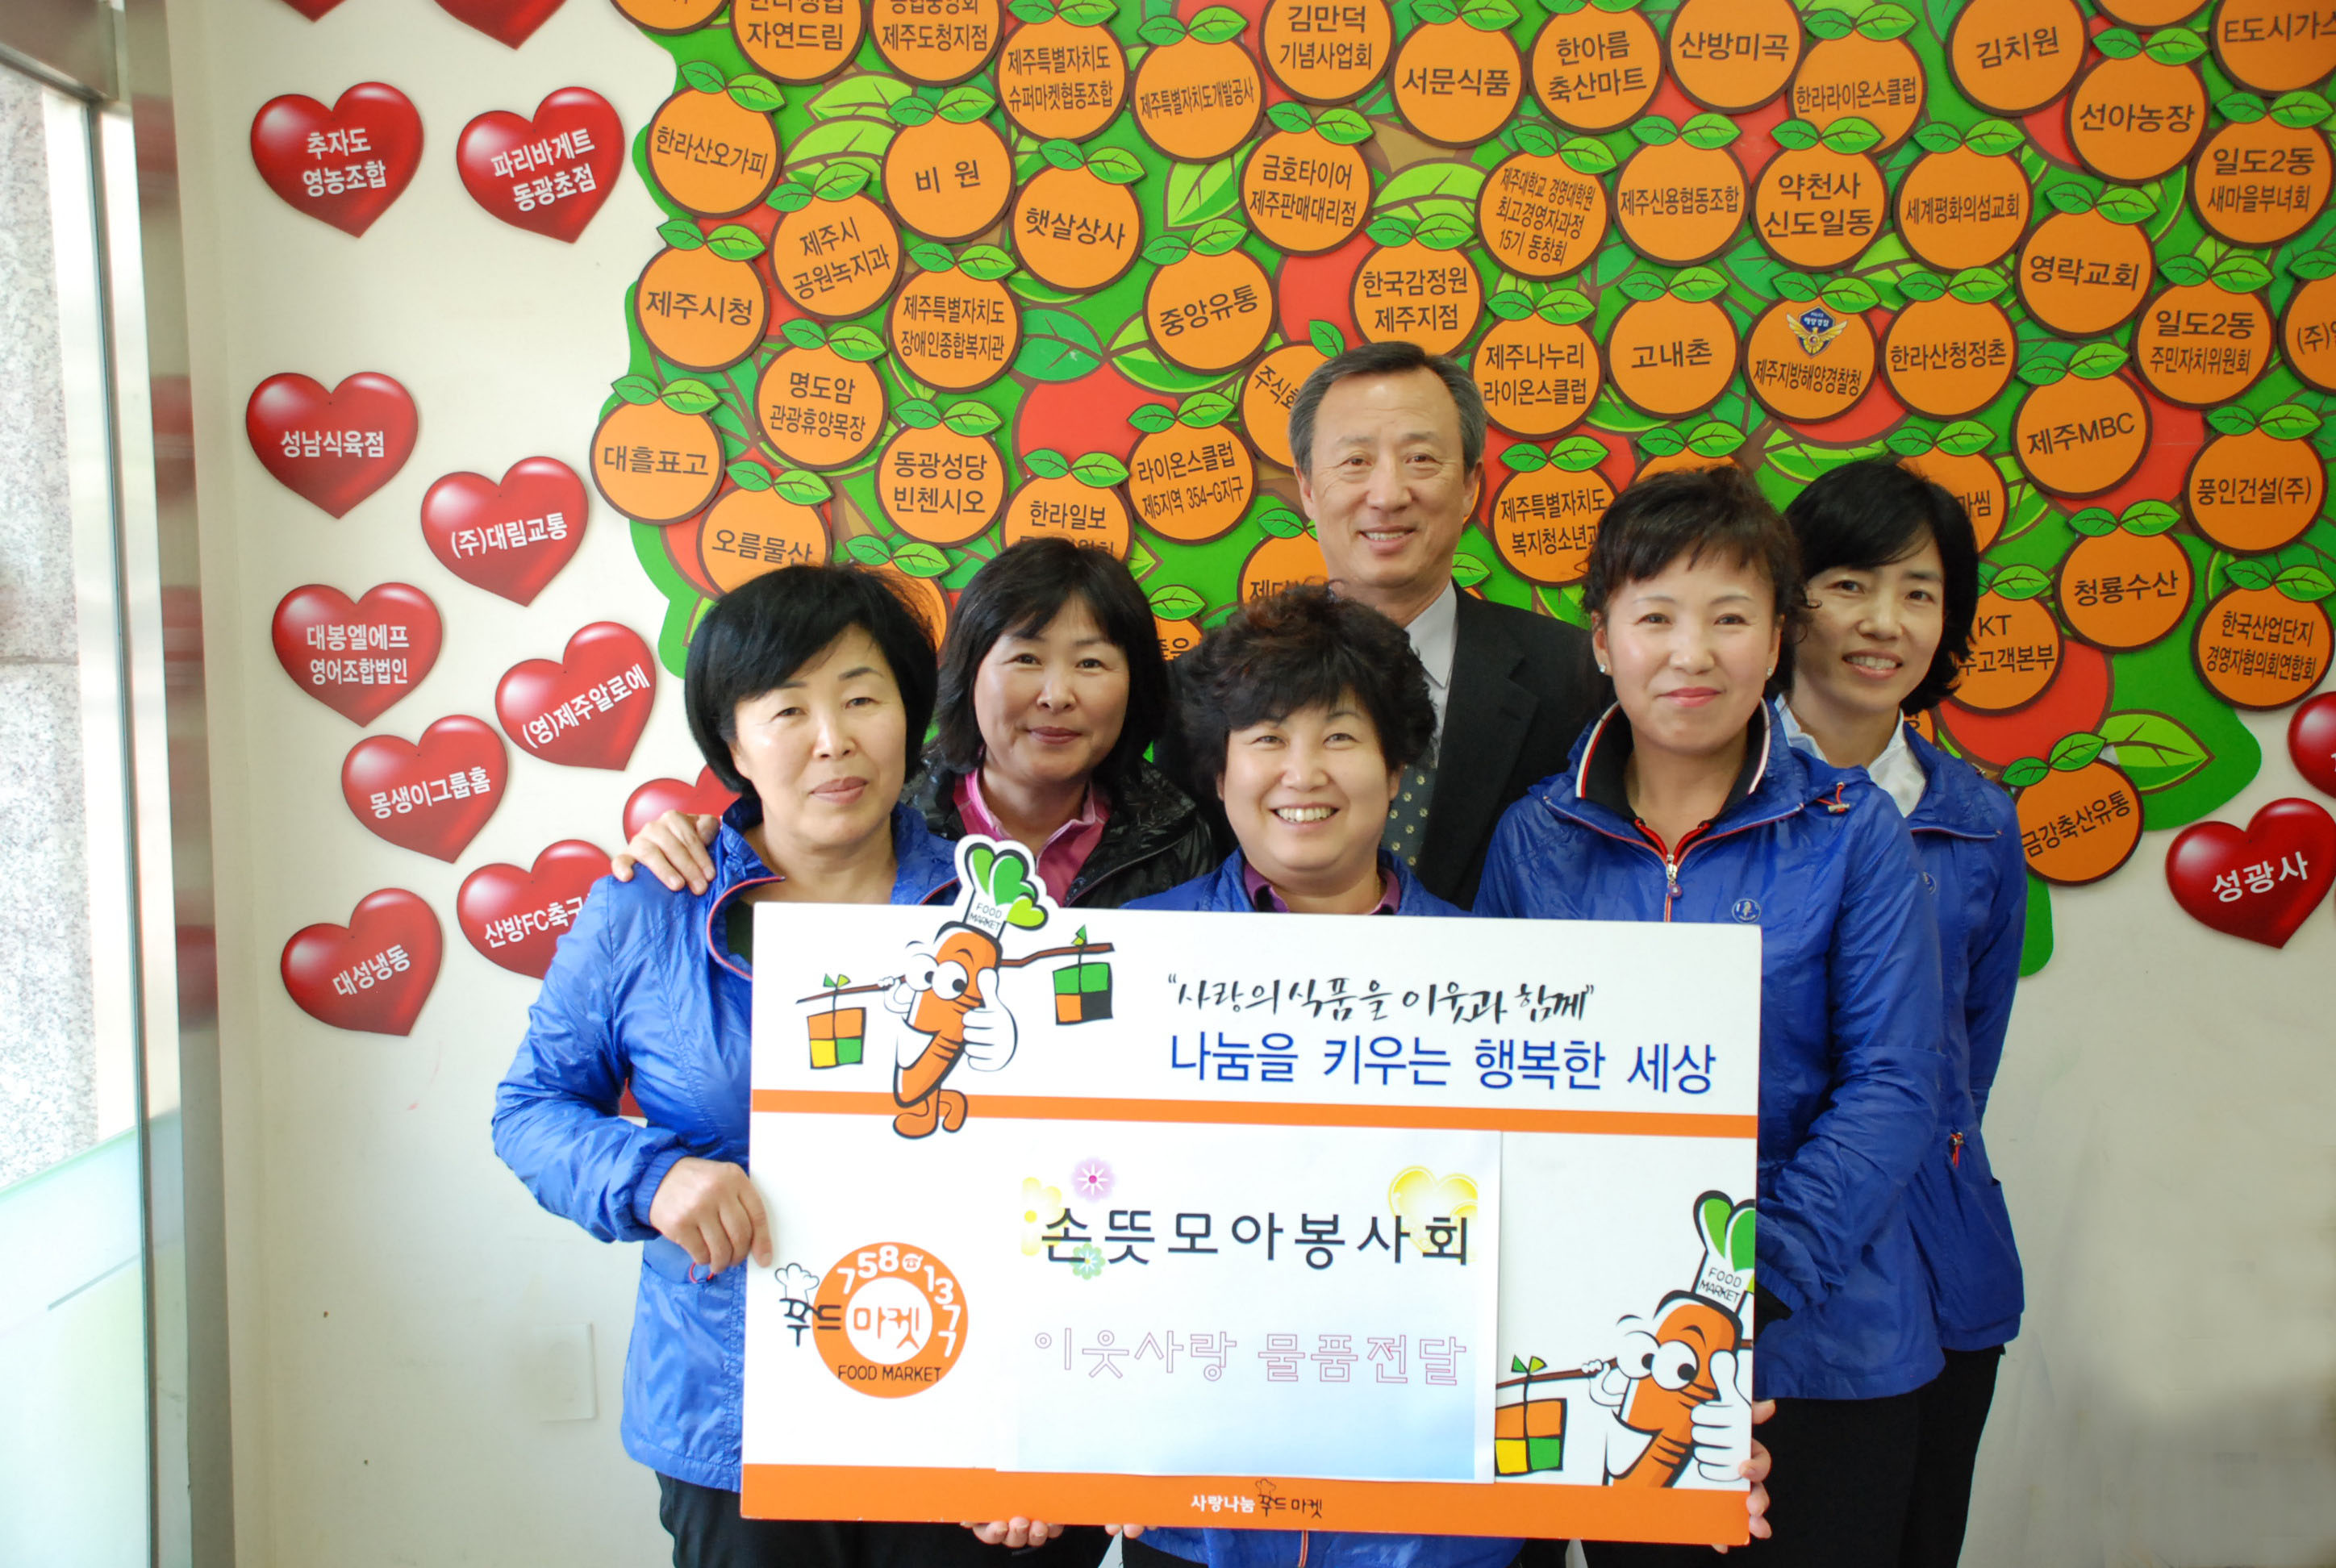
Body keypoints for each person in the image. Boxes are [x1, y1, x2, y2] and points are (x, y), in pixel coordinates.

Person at [1116, 586, 1771, 1568]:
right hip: (1198, 1513)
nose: (1302, 772)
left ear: (1396, 767)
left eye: (1340, 736)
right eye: (1266, 738)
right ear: (1218, 770)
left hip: (1441, 1528)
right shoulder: (1122, 969)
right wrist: (1025, 1449)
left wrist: (1686, 1431)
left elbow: (1593, 1247)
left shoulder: (1516, 991)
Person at [490, 564, 1108, 1568]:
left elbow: (1073, 1169)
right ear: (732, 743)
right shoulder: (648, 909)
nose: (833, 739)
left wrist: (1039, 1425)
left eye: (862, 698)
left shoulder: (998, 913)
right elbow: (531, 1109)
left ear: (909, 718)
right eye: (787, 709)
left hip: (962, 1403)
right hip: (737, 1419)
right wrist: (651, 1178)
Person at [1475, 468, 1942, 1567]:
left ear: (1775, 641)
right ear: (1602, 642)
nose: (1692, 654)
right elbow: (1493, 1084)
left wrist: (1751, 1281)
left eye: (1730, 618)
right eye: (1655, 619)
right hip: (1624, 1351)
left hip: (1825, 1342)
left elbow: (1894, 1083)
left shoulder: (1851, 832)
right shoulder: (1534, 838)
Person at [1779, 461, 2025, 1568]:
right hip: (1763, 1265)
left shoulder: (1977, 819)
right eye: (1849, 585)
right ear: (1785, 605)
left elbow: (1962, 1060)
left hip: (1939, 1263)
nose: (1885, 622)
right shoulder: (1701, 798)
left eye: (1919, 593)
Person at [615, 538, 1218, 909]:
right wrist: (686, 845)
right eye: (1026, 659)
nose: (1056, 696)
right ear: (969, 672)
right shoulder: (873, 810)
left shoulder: (1181, 831)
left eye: (1091, 663)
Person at [1274, 340, 1604, 907]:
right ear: (1306, 487)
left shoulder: (1577, 680)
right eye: (1355, 462)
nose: (1388, 495)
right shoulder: (1219, 690)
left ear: (1471, 485)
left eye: (1421, 459)